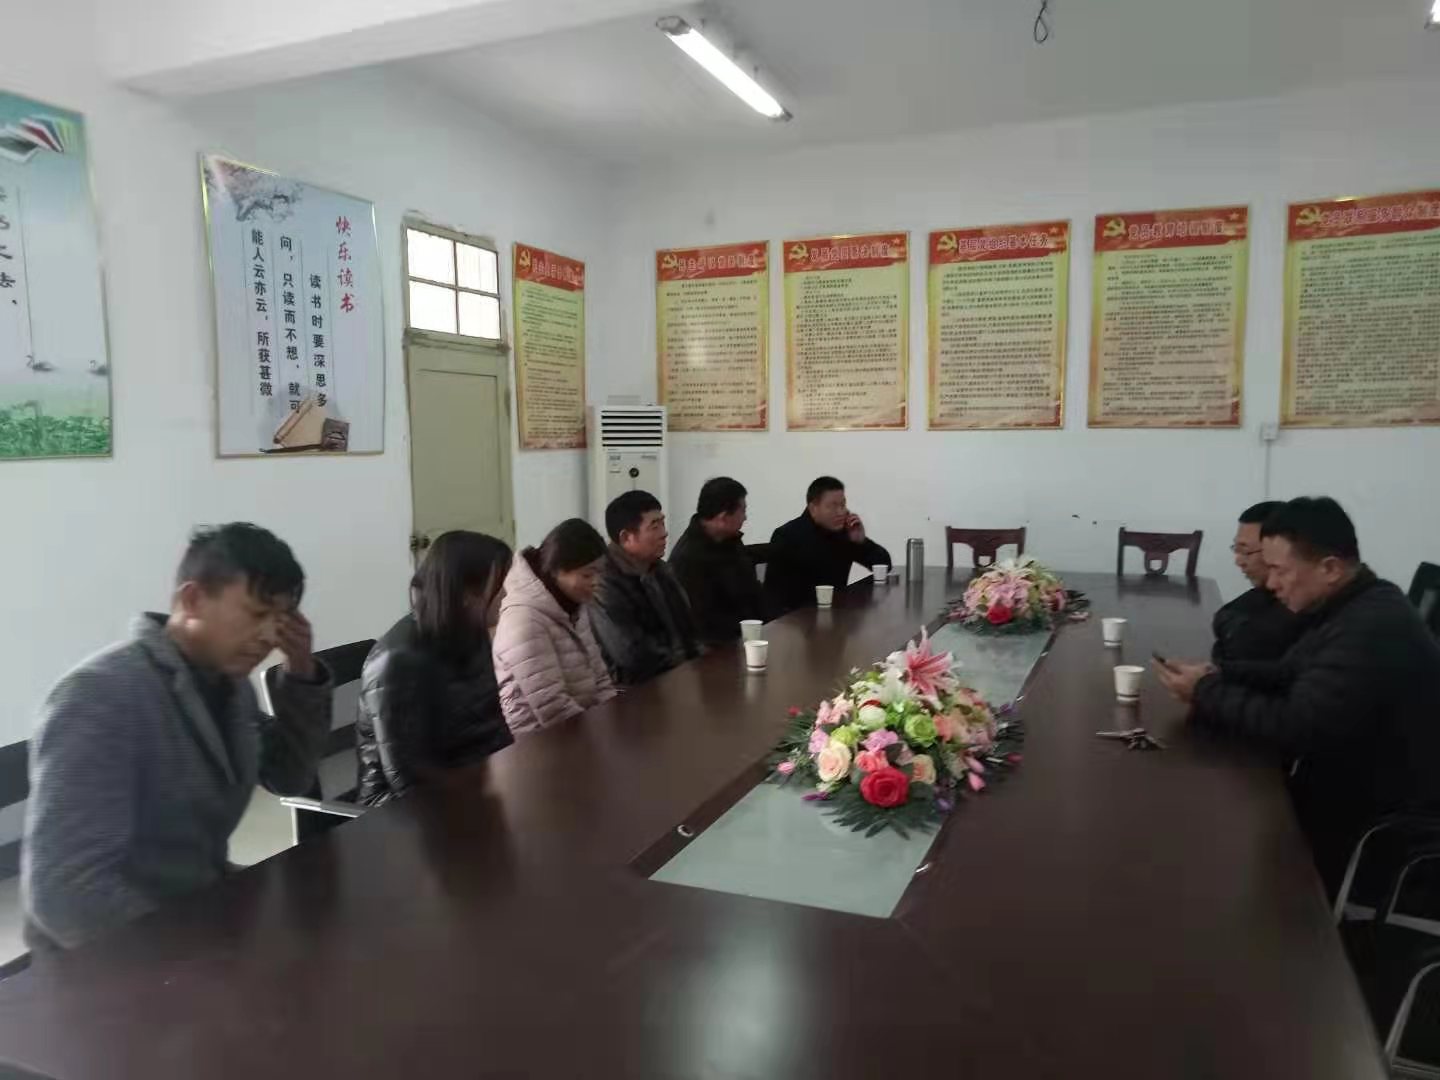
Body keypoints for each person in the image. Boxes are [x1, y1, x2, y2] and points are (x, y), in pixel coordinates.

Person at [22, 523, 332, 950]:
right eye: (256, 614)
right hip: (114, 955)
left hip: (194, 911)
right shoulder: (101, 695)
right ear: (192, 600)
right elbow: (66, 894)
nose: (268, 637)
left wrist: (301, 672)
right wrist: (195, 957)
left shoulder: (229, 686)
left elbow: (289, 778)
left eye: (279, 620)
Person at [1154, 497, 1440, 895]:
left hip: (1380, 817)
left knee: (1209, 838)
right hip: (1345, 776)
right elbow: (1290, 671)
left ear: (1329, 568)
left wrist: (1205, 692)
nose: (1271, 584)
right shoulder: (1356, 601)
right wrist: (1217, 675)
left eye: (1279, 570)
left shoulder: (1368, 627)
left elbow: (1295, 726)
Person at [356, 531, 514, 806]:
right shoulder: (397, 661)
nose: (505, 594)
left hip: (469, 785)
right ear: (466, 593)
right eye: (499, 585)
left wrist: (512, 776)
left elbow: (494, 730)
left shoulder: (472, 632)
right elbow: (408, 781)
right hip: (397, 810)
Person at [493, 518, 616, 735]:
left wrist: (614, 718)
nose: (596, 581)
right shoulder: (524, 618)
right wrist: (603, 736)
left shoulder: (572, 603)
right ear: (557, 569)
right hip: (539, 740)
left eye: (600, 572)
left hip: (580, 726)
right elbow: (553, 707)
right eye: (587, 574)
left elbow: (601, 679)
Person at [590, 490, 699, 686]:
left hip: (678, 676)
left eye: (663, 523)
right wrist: (684, 665)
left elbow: (688, 629)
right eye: (654, 527)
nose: (664, 533)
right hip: (636, 689)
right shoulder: (603, 582)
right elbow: (630, 654)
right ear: (626, 537)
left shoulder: (661, 569)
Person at [764, 476, 893, 615]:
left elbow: (884, 566)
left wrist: (861, 541)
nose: (841, 512)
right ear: (813, 508)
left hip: (837, 614)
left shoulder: (844, 533)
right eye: (833, 506)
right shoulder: (787, 536)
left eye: (843, 505)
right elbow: (773, 597)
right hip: (796, 619)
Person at [669, 477, 765, 646]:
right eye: (742, 511)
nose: (745, 517)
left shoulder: (730, 540)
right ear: (723, 517)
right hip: (716, 648)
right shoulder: (688, 558)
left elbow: (751, 590)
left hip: (750, 636)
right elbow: (703, 622)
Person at [1212, 500, 1302, 664]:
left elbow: (1247, 647)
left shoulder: (1302, 602)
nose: (1239, 561)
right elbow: (1224, 617)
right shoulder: (1264, 593)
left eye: (1246, 551)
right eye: (1237, 549)